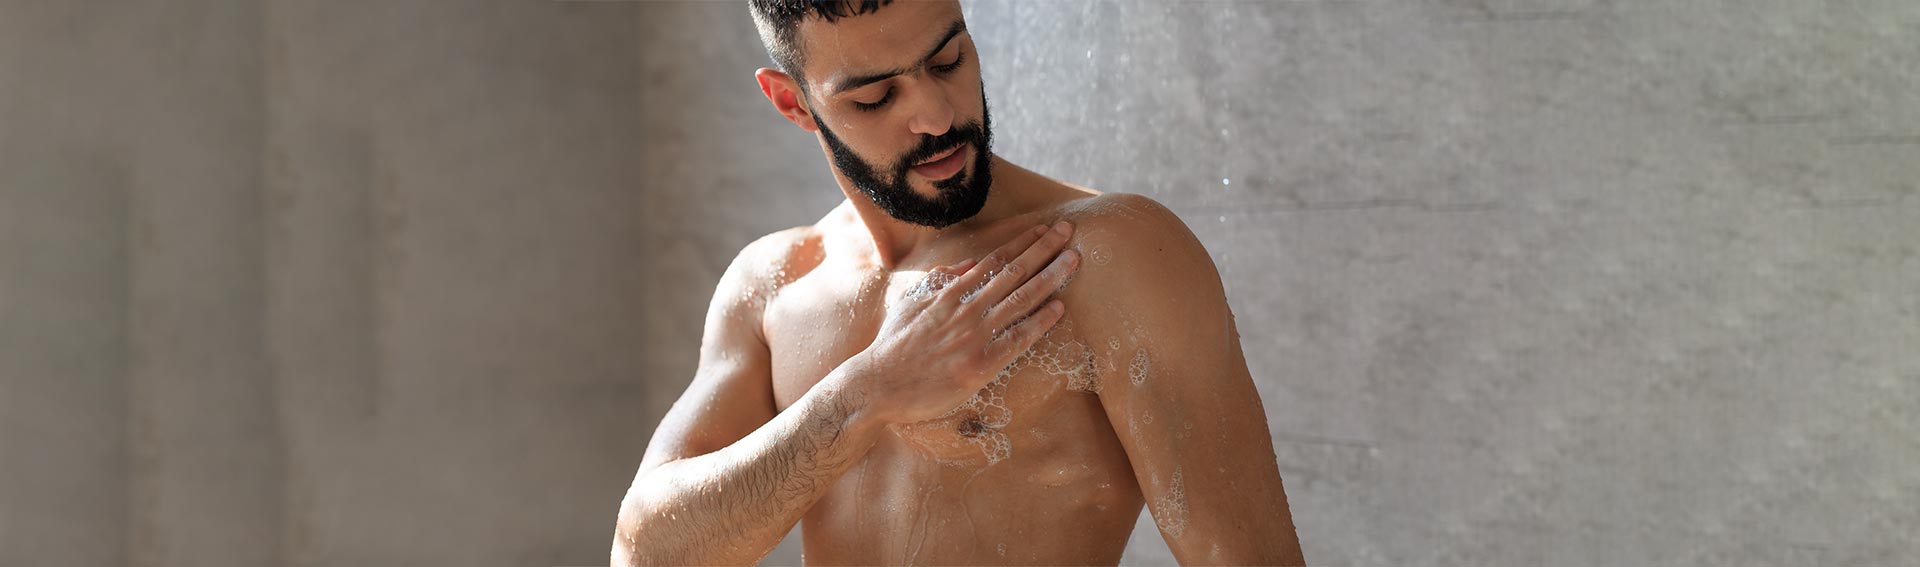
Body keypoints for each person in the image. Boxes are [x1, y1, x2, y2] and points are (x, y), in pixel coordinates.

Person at [612, 1, 1305, 564]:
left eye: (949, 59)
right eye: (877, 97)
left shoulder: (1109, 256)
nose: (939, 116)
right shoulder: (776, 285)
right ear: (793, 104)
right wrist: (870, 392)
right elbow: (645, 552)